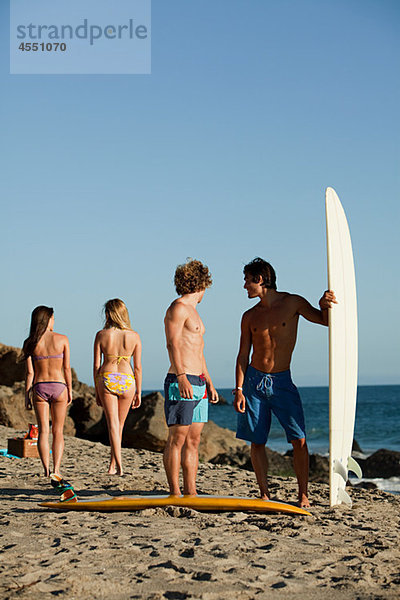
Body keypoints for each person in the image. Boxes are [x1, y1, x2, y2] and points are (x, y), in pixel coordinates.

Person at [234, 258, 336, 508]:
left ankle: (303, 495)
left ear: (260, 279)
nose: (245, 285)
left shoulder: (293, 303)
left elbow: (325, 320)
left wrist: (325, 305)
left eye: (247, 280)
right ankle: (264, 493)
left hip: (282, 381)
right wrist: (238, 389)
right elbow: (242, 354)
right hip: (254, 382)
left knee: (299, 439)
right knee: (257, 441)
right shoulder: (249, 316)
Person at [163, 259, 219, 496]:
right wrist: (182, 376)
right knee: (178, 438)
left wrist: (209, 381)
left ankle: (191, 491)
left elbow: (199, 348)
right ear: (201, 283)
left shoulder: (195, 312)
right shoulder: (178, 308)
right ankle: (175, 491)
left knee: (194, 440)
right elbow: (172, 344)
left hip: (199, 381)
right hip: (181, 381)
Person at [93, 299, 142, 476]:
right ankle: (113, 465)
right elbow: (138, 367)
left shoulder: (101, 335)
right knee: (119, 426)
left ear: (108, 314)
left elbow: (96, 365)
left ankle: (118, 465)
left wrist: (97, 390)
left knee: (112, 425)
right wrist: (139, 392)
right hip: (128, 379)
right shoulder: (134, 336)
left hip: (107, 377)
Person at [23, 306, 72, 477]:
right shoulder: (62, 339)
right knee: (58, 431)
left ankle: (45, 470)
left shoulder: (30, 342)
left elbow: (30, 373)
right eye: (53, 318)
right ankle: (57, 469)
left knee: (43, 431)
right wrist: (70, 390)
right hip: (59, 386)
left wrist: (26, 395)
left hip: (39, 387)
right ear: (48, 319)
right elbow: (67, 369)